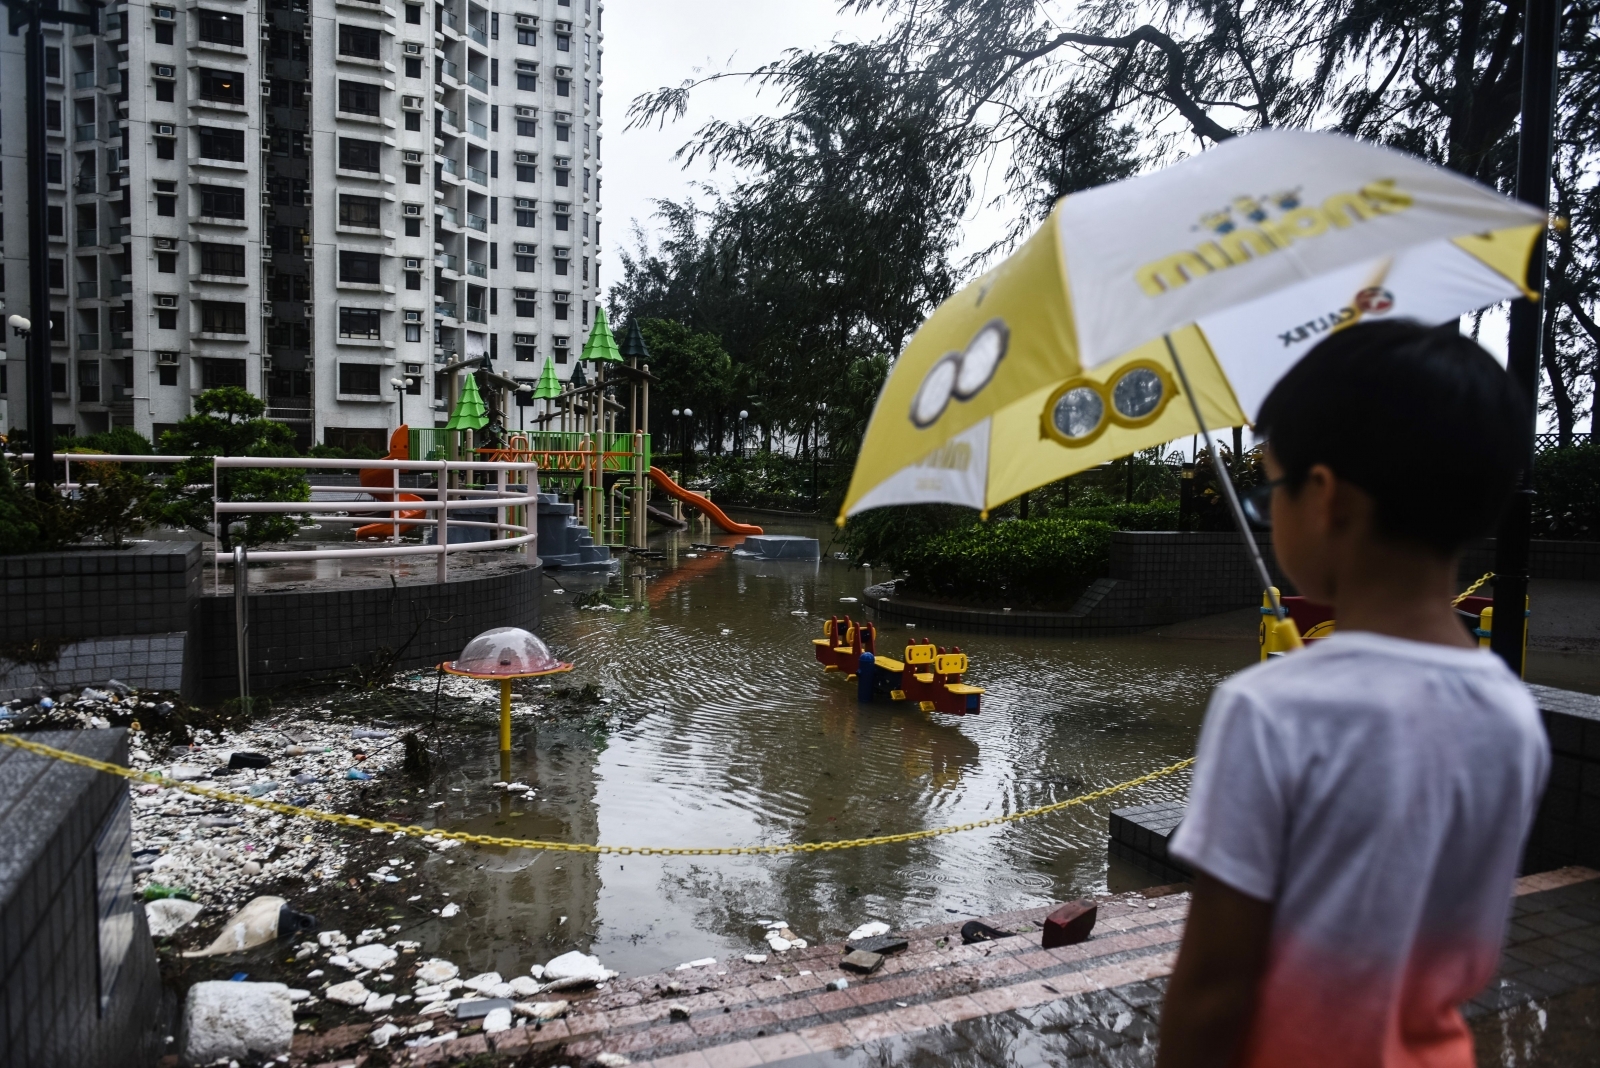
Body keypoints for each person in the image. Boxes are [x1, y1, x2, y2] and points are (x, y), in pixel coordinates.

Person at [1156, 320, 1549, 1068]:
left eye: (1274, 490)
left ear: (1327, 498)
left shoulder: (1269, 710)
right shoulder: (1512, 714)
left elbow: (1213, 988)